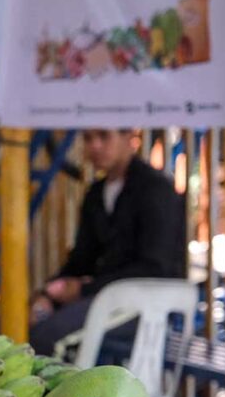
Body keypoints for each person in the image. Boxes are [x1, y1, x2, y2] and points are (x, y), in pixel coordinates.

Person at [29, 128, 186, 357]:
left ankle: (59, 393)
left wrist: (84, 288)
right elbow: (81, 258)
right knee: (19, 320)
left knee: (48, 336)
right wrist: (47, 293)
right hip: (105, 297)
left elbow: (155, 267)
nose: (95, 146)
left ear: (129, 138)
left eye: (104, 136)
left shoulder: (156, 189)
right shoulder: (96, 194)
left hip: (149, 303)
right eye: (88, 138)